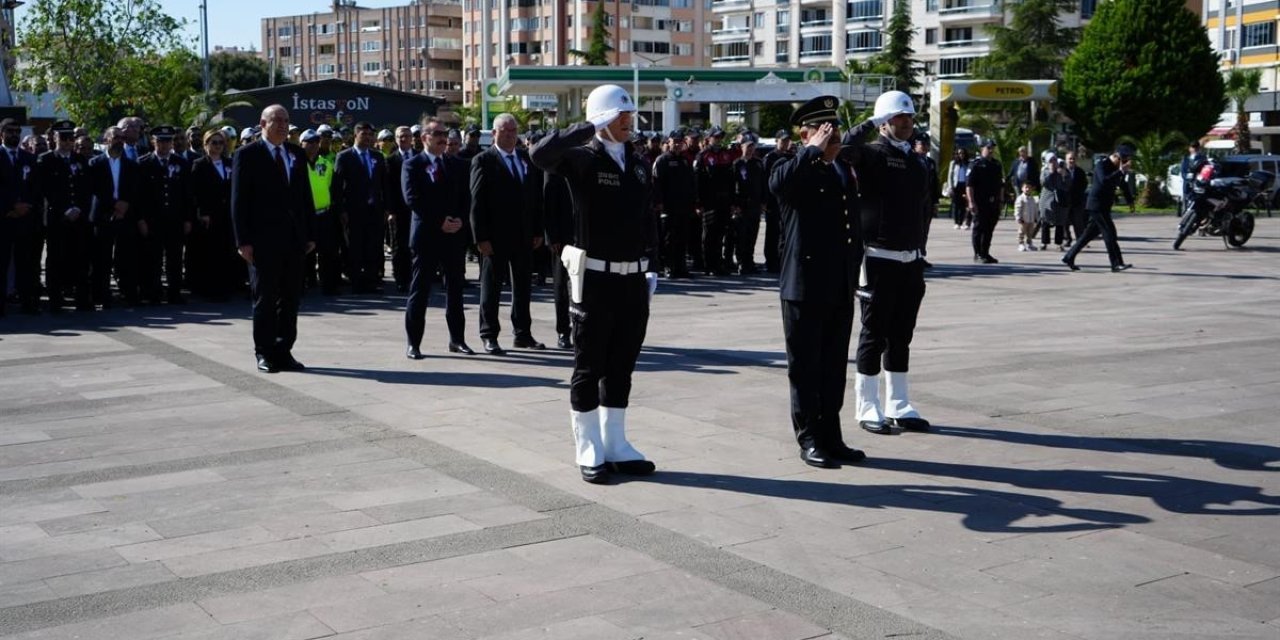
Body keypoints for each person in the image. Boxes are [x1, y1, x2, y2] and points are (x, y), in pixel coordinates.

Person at [530, 84, 659, 485]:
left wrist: (651, 264)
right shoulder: (581, 159)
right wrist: (585, 127)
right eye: (620, 115)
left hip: (634, 278)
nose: (629, 121)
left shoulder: (637, 163)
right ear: (602, 117)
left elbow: (646, 217)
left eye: (630, 115)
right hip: (595, 278)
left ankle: (616, 444)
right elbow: (539, 155)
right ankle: (587, 447)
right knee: (589, 366)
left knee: (622, 365)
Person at [770, 96, 866, 468]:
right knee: (806, 368)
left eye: (835, 129)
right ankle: (809, 437)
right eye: (824, 131)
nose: (833, 137)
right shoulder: (790, 165)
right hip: (804, 287)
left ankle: (831, 435)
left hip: (838, 283)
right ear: (805, 134)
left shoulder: (841, 170)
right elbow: (780, 186)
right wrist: (810, 152)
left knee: (832, 367)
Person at [844, 90, 932, 437]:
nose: (906, 123)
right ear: (884, 123)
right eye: (898, 118)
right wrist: (869, 121)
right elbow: (846, 148)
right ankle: (867, 406)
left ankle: (899, 403)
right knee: (874, 334)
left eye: (908, 118)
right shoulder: (871, 155)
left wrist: (920, 252)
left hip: (910, 261)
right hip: (878, 259)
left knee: (901, 335)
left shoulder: (915, 160)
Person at [231, 104, 317, 373]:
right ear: (262, 123)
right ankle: (264, 352)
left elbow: (305, 196)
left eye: (286, 120)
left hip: (293, 240)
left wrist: (310, 233)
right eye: (276, 120)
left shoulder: (296, 154)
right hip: (262, 240)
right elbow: (239, 201)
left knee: (291, 299)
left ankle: (284, 350)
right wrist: (242, 240)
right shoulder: (247, 155)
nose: (282, 125)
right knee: (265, 299)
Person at [470, 113, 546, 354]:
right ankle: (489, 334)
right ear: (494, 134)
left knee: (523, 287)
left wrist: (537, 230)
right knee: (491, 288)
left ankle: (523, 333)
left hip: (523, 236)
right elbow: (477, 201)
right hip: (495, 238)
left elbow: (535, 198)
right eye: (505, 131)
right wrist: (480, 237)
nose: (511, 135)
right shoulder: (484, 160)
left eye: (514, 131)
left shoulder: (526, 159)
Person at [403, 118, 473, 359]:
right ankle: (414, 343)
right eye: (437, 134)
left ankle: (457, 340)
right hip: (427, 237)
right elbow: (413, 199)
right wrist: (439, 221)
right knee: (420, 290)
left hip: (453, 236)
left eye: (445, 134)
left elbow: (467, 198)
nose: (444, 138)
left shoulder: (457, 165)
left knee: (455, 289)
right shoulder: (413, 165)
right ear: (424, 138)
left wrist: (461, 220)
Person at [38, 120, 95, 312]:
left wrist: (78, 208)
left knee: (80, 257)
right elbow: (45, 189)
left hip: (78, 218)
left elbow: (87, 189)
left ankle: (81, 298)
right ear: (55, 138)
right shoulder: (45, 160)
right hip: (58, 218)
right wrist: (64, 209)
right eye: (63, 138)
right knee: (55, 258)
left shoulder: (80, 160)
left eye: (70, 138)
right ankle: (55, 298)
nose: (67, 142)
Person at [136, 125, 194, 305]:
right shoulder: (143, 163)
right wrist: (141, 220)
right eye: (161, 141)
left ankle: (174, 293)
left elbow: (187, 194)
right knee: (153, 258)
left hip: (175, 219)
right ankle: (153, 292)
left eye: (168, 141)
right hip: (153, 220)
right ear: (154, 141)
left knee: (175, 259)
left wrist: (187, 219)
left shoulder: (181, 163)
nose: (165, 144)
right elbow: (139, 196)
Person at [330, 121, 387, 294]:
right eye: (364, 134)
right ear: (355, 135)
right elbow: (337, 187)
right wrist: (341, 210)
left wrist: (386, 208)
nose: (368, 138)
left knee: (373, 247)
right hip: (354, 211)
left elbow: (384, 184)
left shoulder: (377, 156)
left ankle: (370, 281)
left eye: (371, 135)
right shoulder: (345, 156)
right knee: (355, 248)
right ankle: (356, 281)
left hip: (374, 210)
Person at [87, 126, 141, 308]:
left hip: (125, 215)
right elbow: (95, 188)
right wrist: (113, 203)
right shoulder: (95, 163)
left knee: (127, 257)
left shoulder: (132, 165)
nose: (119, 141)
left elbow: (135, 188)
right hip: (103, 214)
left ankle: (128, 293)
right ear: (106, 140)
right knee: (101, 258)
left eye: (121, 138)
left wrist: (124, 204)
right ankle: (101, 295)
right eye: (115, 137)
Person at [1062, 144, 1135, 272]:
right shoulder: (1102, 165)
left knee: (1087, 236)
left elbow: (1123, 184)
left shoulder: (1116, 168)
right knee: (1110, 233)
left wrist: (1130, 201)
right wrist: (1120, 171)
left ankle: (1069, 257)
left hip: (1104, 206)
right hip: (1096, 206)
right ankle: (1116, 263)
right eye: (1123, 160)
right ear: (1117, 157)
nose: (1123, 163)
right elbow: (1104, 181)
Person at [188, 128, 238, 300]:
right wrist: (202, 212)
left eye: (221, 143)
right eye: (214, 142)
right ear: (206, 144)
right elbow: (195, 191)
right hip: (210, 214)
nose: (218, 146)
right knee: (210, 252)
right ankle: (209, 288)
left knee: (226, 250)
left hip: (227, 214)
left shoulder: (229, 163)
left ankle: (226, 286)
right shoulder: (199, 164)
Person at [0, 118, 41, 315]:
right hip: (4, 218)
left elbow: (35, 188)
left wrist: (26, 205)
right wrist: (10, 207)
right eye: (10, 131)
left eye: (17, 131)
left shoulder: (29, 158)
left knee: (26, 262)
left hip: (25, 219)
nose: (14, 134)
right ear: (2, 134)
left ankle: (28, 301)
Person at [652, 129, 696, 279]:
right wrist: (659, 202)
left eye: (680, 141)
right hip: (668, 208)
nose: (677, 144)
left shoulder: (685, 161)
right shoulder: (662, 160)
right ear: (669, 142)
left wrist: (692, 202)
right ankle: (669, 267)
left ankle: (681, 267)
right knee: (669, 240)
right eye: (675, 141)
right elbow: (655, 183)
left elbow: (691, 184)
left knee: (682, 238)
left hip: (683, 207)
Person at [694, 127, 735, 275]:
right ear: (709, 138)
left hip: (724, 202)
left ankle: (718, 264)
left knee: (720, 234)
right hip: (709, 202)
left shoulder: (726, 154)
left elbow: (731, 181)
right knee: (709, 235)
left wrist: (732, 202)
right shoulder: (703, 156)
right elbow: (697, 182)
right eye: (715, 137)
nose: (718, 140)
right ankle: (708, 265)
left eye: (720, 137)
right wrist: (698, 203)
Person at [385, 126, 416, 292]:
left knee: (417, 245)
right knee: (399, 246)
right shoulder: (391, 160)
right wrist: (391, 211)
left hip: (417, 210)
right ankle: (401, 278)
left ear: (412, 138)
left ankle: (415, 277)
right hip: (398, 211)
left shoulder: (419, 157)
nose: (404, 139)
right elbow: (388, 187)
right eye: (400, 137)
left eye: (407, 136)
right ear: (396, 139)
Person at [761, 129, 794, 274]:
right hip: (772, 202)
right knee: (772, 233)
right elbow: (764, 181)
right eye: (783, 141)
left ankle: (781, 260)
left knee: (783, 233)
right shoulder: (770, 158)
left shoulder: (789, 157)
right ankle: (770, 261)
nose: (785, 143)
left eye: (787, 141)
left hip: (785, 201)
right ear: (777, 141)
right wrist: (765, 202)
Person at [731, 134, 765, 274]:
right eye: (748, 146)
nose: (750, 149)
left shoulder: (757, 163)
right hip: (741, 206)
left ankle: (749, 262)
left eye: (752, 146)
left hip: (755, 205)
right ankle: (741, 262)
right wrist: (734, 205)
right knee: (741, 236)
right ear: (742, 147)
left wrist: (764, 202)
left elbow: (763, 184)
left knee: (752, 235)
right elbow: (731, 186)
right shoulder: (737, 164)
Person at [967, 140, 1004, 264]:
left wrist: (1001, 200)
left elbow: (1000, 185)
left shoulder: (996, 164)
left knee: (989, 228)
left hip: (993, 202)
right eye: (988, 148)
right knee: (979, 228)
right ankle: (977, 253)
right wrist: (971, 202)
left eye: (992, 148)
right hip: (980, 202)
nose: (991, 150)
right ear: (982, 148)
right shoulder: (975, 165)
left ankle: (985, 252)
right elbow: (969, 185)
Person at [914, 135, 940, 268]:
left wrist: (935, 202)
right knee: (915, 229)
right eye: (921, 144)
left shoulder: (930, 162)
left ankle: (921, 255)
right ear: (915, 145)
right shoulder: (911, 160)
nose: (923, 146)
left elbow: (935, 183)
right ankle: (915, 256)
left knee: (924, 229)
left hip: (927, 200)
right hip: (915, 200)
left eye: (926, 144)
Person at [1039, 155, 1068, 250]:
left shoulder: (1062, 170)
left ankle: (1059, 243)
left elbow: (1069, 183)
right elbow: (1043, 182)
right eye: (1051, 160)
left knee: (1060, 222)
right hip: (1047, 200)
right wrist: (1051, 173)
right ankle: (1044, 243)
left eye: (1055, 160)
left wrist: (1064, 175)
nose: (1053, 162)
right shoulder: (1045, 171)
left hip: (1060, 200)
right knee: (1045, 221)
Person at [1064, 151, 1088, 241]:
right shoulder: (1062, 171)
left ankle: (1080, 240)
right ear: (1066, 160)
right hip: (1065, 201)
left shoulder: (1080, 172)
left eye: (1073, 158)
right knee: (1065, 222)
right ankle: (1067, 238)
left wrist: (1079, 193)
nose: (1071, 160)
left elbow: (1084, 184)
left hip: (1077, 201)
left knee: (1078, 222)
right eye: (1069, 158)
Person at [1179, 141, 1207, 212]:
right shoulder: (1186, 159)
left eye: (1196, 147)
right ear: (1190, 149)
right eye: (1193, 147)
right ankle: (1185, 213)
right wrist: (1187, 178)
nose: (1194, 149)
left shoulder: (1203, 158)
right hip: (1188, 182)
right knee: (1186, 198)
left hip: (1198, 182)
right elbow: (1183, 171)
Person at [947, 148, 971, 230]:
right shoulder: (953, 163)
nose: (961, 155)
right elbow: (950, 176)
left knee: (963, 205)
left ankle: (961, 222)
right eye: (959, 153)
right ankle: (956, 222)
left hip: (964, 185)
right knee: (956, 205)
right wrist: (950, 187)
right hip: (956, 186)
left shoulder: (968, 163)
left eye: (963, 153)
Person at [1014, 183, 1040, 252]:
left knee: (1030, 232)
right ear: (1022, 189)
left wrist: (1036, 217)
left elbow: (1035, 209)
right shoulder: (1020, 198)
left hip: (1031, 219)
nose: (1027, 189)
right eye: (1026, 187)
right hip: (1023, 219)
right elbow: (1017, 209)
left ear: (1032, 189)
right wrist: (1018, 218)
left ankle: (1029, 244)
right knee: (1021, 232)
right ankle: (1021, 244)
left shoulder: (1032, 198)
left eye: (1029, 188)